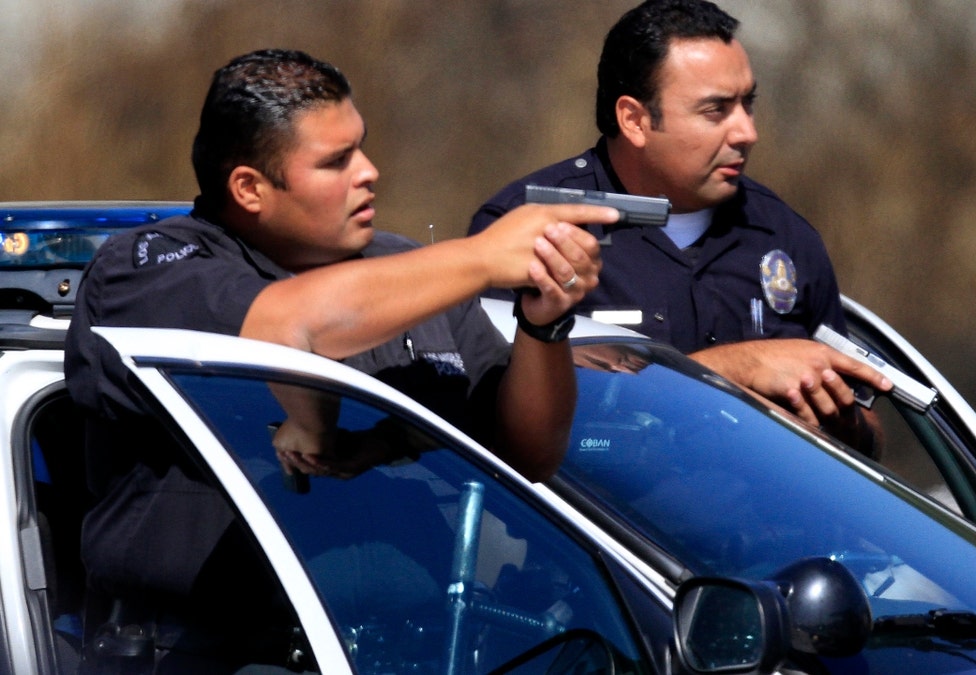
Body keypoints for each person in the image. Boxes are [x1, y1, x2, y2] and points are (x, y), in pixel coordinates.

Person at [64, 48, 615, 673]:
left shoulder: (407, 272)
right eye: (335, 161)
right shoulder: (149, 271)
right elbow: (289, 325)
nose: (370, 172)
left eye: (362, 147)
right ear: (249, 187)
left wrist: (544, 322)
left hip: (420, 648)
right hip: (207, 655)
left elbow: (527, 456)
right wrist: (486, 257)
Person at [470, 0, 891, 452]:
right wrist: (734, 369)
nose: (746, 132)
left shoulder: (785, 236)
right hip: (587, 519)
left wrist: (833, 416)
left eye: (748, 104)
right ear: (634, 119)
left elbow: (868, 433)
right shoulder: (527, 229)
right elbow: (496, 427)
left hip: (758, 520)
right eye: (716, 110)